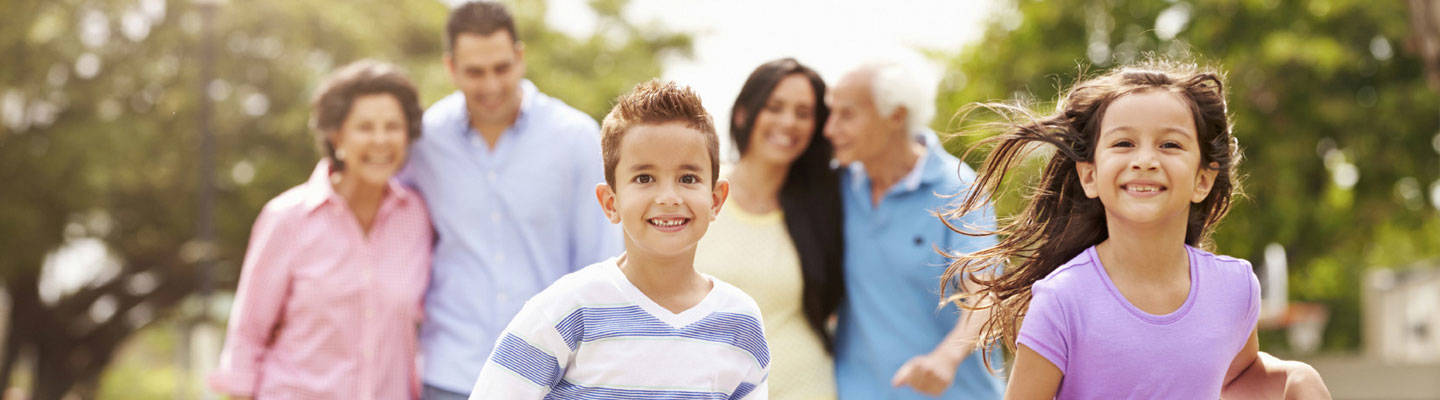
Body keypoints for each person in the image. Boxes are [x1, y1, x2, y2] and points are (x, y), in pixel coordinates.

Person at [939, 59, 1332, 399]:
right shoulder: (1062, 301)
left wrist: (1296, 377)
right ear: (1090, 176)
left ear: (1203, 179)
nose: (1145, 160)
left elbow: (1237, 377)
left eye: (1170, 145)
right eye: (1124, 143)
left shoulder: (1235, 288)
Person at [467, 80, 769, 399]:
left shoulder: (740, 321)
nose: (668, 197)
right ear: (611, 203)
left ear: (716, 199)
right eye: (644, 178)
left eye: (688, 178)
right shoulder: (567, 310)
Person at [399, 2, 621, 398]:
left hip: (547, 375)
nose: (490, 86)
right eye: (475, 72)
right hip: (450, 374)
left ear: (520, 58)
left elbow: (601, 262)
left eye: (501, 68)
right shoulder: (425, 141)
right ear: (451, 68)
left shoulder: (575, 138)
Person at [208, 60, 431, 399]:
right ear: (336, 135)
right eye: (365, 127)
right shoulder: (287, 218)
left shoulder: (416, 217)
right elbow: (247, 336)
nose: (380, 140)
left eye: (393, 126)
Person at [824, 61, 1002, 399]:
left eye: (847, 115)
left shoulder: (957, 188)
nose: (830, 129)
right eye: (830, 113)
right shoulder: (839, 186)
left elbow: (986, 295)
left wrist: (945, 358)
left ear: (896, 115)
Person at [693, 57, 844, 399]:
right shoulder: (696, 195)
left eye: (803, 113)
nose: (788, 122)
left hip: (804, 388)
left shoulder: (828, 203)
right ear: (743, 114)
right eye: (774, 107)